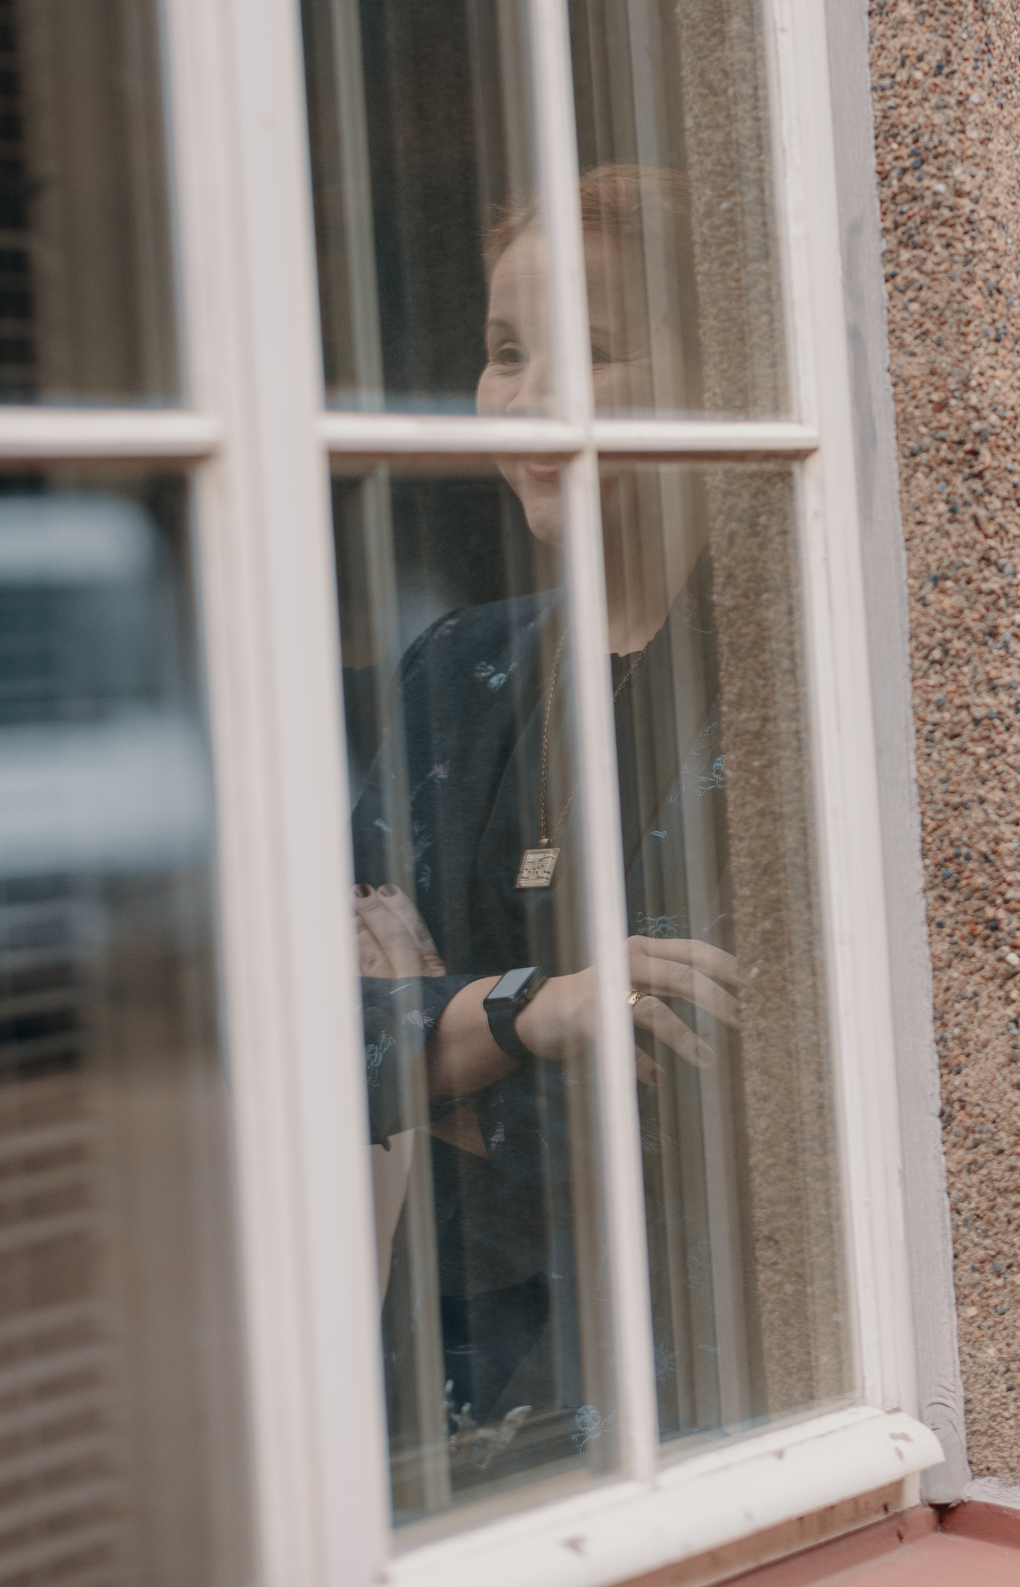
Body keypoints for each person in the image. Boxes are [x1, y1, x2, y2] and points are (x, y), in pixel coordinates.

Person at [347, 164, 747, 1490]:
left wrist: (440, 1043)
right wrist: (543, 1011)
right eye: (506, 352)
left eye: (589, 350)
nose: (524, 400)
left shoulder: (783, 685)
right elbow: (312, 1041)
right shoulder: (456, 673)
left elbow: (719, 1111)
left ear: (715, 380)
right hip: (452, 1388)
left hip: (713, 1391)